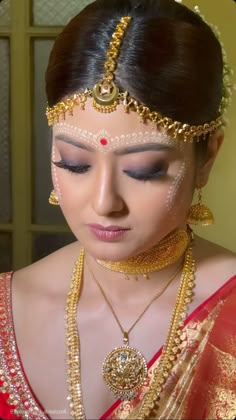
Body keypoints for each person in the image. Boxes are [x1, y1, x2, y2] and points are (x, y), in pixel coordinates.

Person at [0, 0, 236, 418]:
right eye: (74, 162)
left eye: (144, 170)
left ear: (208, 157)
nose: (104, 202)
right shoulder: (8, 308)